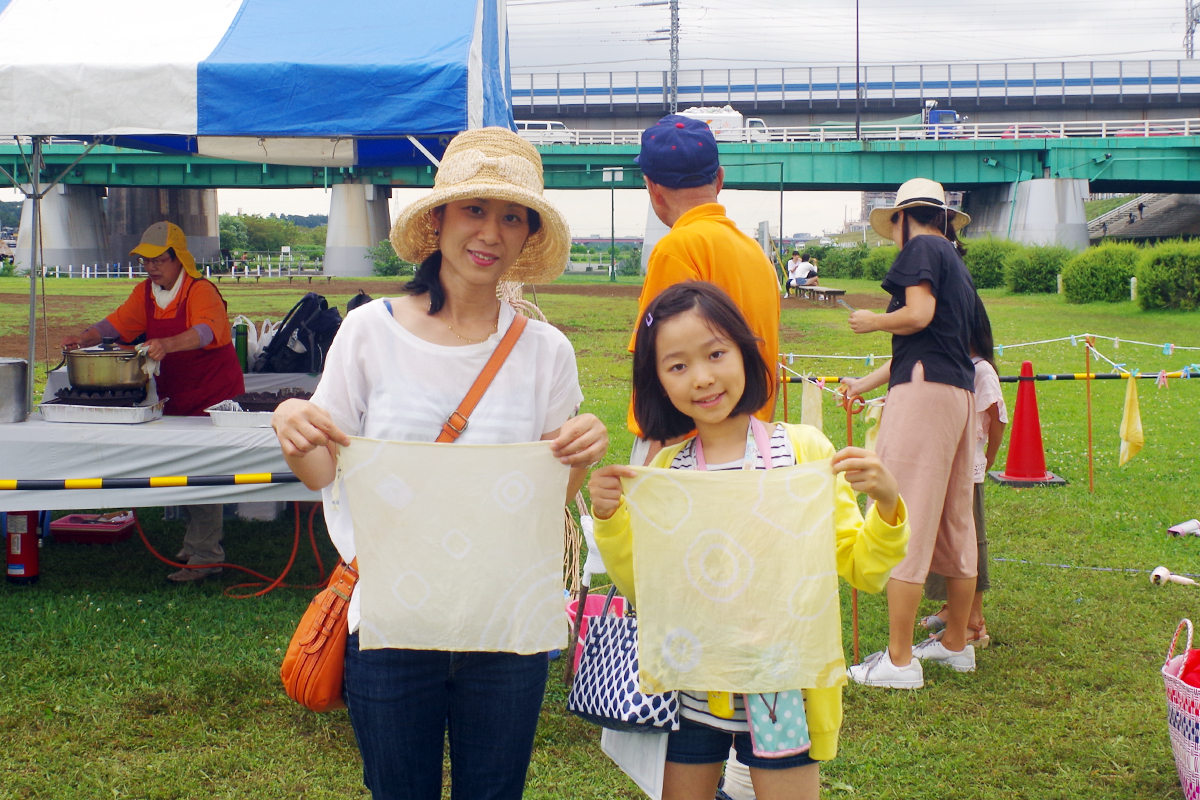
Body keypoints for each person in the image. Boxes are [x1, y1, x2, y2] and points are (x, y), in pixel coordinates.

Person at [270, 127, 608, 800]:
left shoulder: (546, 352)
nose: (490, 232)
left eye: (512, 216)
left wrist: (580, 450)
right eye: (475, 210)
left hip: (506, 623)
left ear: (526, 236)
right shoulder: (370, 334)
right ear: (440, 220)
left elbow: (553, 496)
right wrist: (291, 425)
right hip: (393, 618)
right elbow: (322, 474)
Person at [588, 281, 909, 800]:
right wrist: (612, 518)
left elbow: (861, 567)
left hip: (783, 692)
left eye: (716, 353)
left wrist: (889, 506)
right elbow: (647, 588)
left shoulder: (803, 451)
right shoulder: (668, 470)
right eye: (677, 366)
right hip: (693, 695)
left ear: (745, 351)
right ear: (658, 382)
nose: (703, 378)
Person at [840, 177, 979, 689]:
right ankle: (955, 643)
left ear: (902, 218)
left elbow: (915, 316)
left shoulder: (920, 247)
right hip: (957, 396)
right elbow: (929, 341)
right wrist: (866, 382)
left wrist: (874, 319)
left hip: (924, 396)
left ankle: (899, 661)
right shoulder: (957, 265)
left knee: (907, 515)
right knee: (954, 520)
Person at [62, 222, 244, 582]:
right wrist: (85, 337)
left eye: (158, 260)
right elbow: (116, 325)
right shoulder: (145, 293)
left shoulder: (200, 290)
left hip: (212, 393)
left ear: (179, 259)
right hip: (176, 394)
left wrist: (167, 344)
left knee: (204, 471)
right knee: (186, 468)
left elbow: (207, 330)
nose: (151, 267)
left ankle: (207, 555)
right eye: (146, 261)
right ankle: (195, 544)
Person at [630, 114, 781, 467]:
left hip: (689, 448)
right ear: (719, 178)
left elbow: (664, 362)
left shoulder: (677, 248)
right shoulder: (754, 252)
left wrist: (655, 465)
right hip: (752, 443)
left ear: (652, 188)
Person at [920, 295, 1007, 648]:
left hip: (966, 474)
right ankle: (951, 608)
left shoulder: (981, 370)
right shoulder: (949, 364)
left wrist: (987, 459)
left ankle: (973, 622)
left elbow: (997, 419)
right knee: (944, 542)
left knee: (968, 545)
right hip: (942, 469)